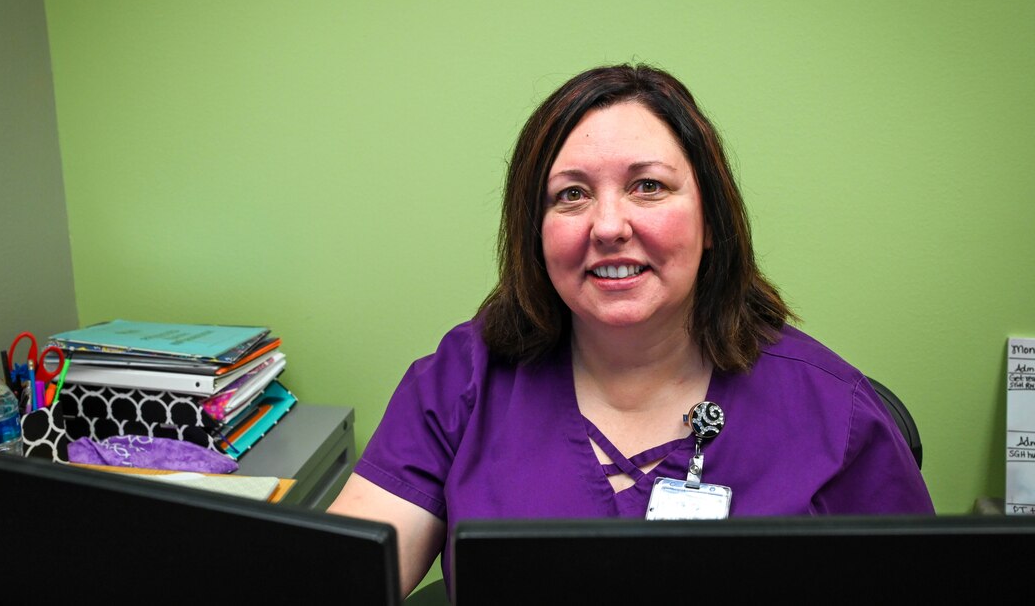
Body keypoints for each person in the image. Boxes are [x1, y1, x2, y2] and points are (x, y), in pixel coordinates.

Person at [327, 63, 934, 596]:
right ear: (535, 235)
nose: (608, 225)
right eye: (571, 195)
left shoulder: (835, 412)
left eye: (649, 186)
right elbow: (345, 577)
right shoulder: (465, 381)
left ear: (712, 220)